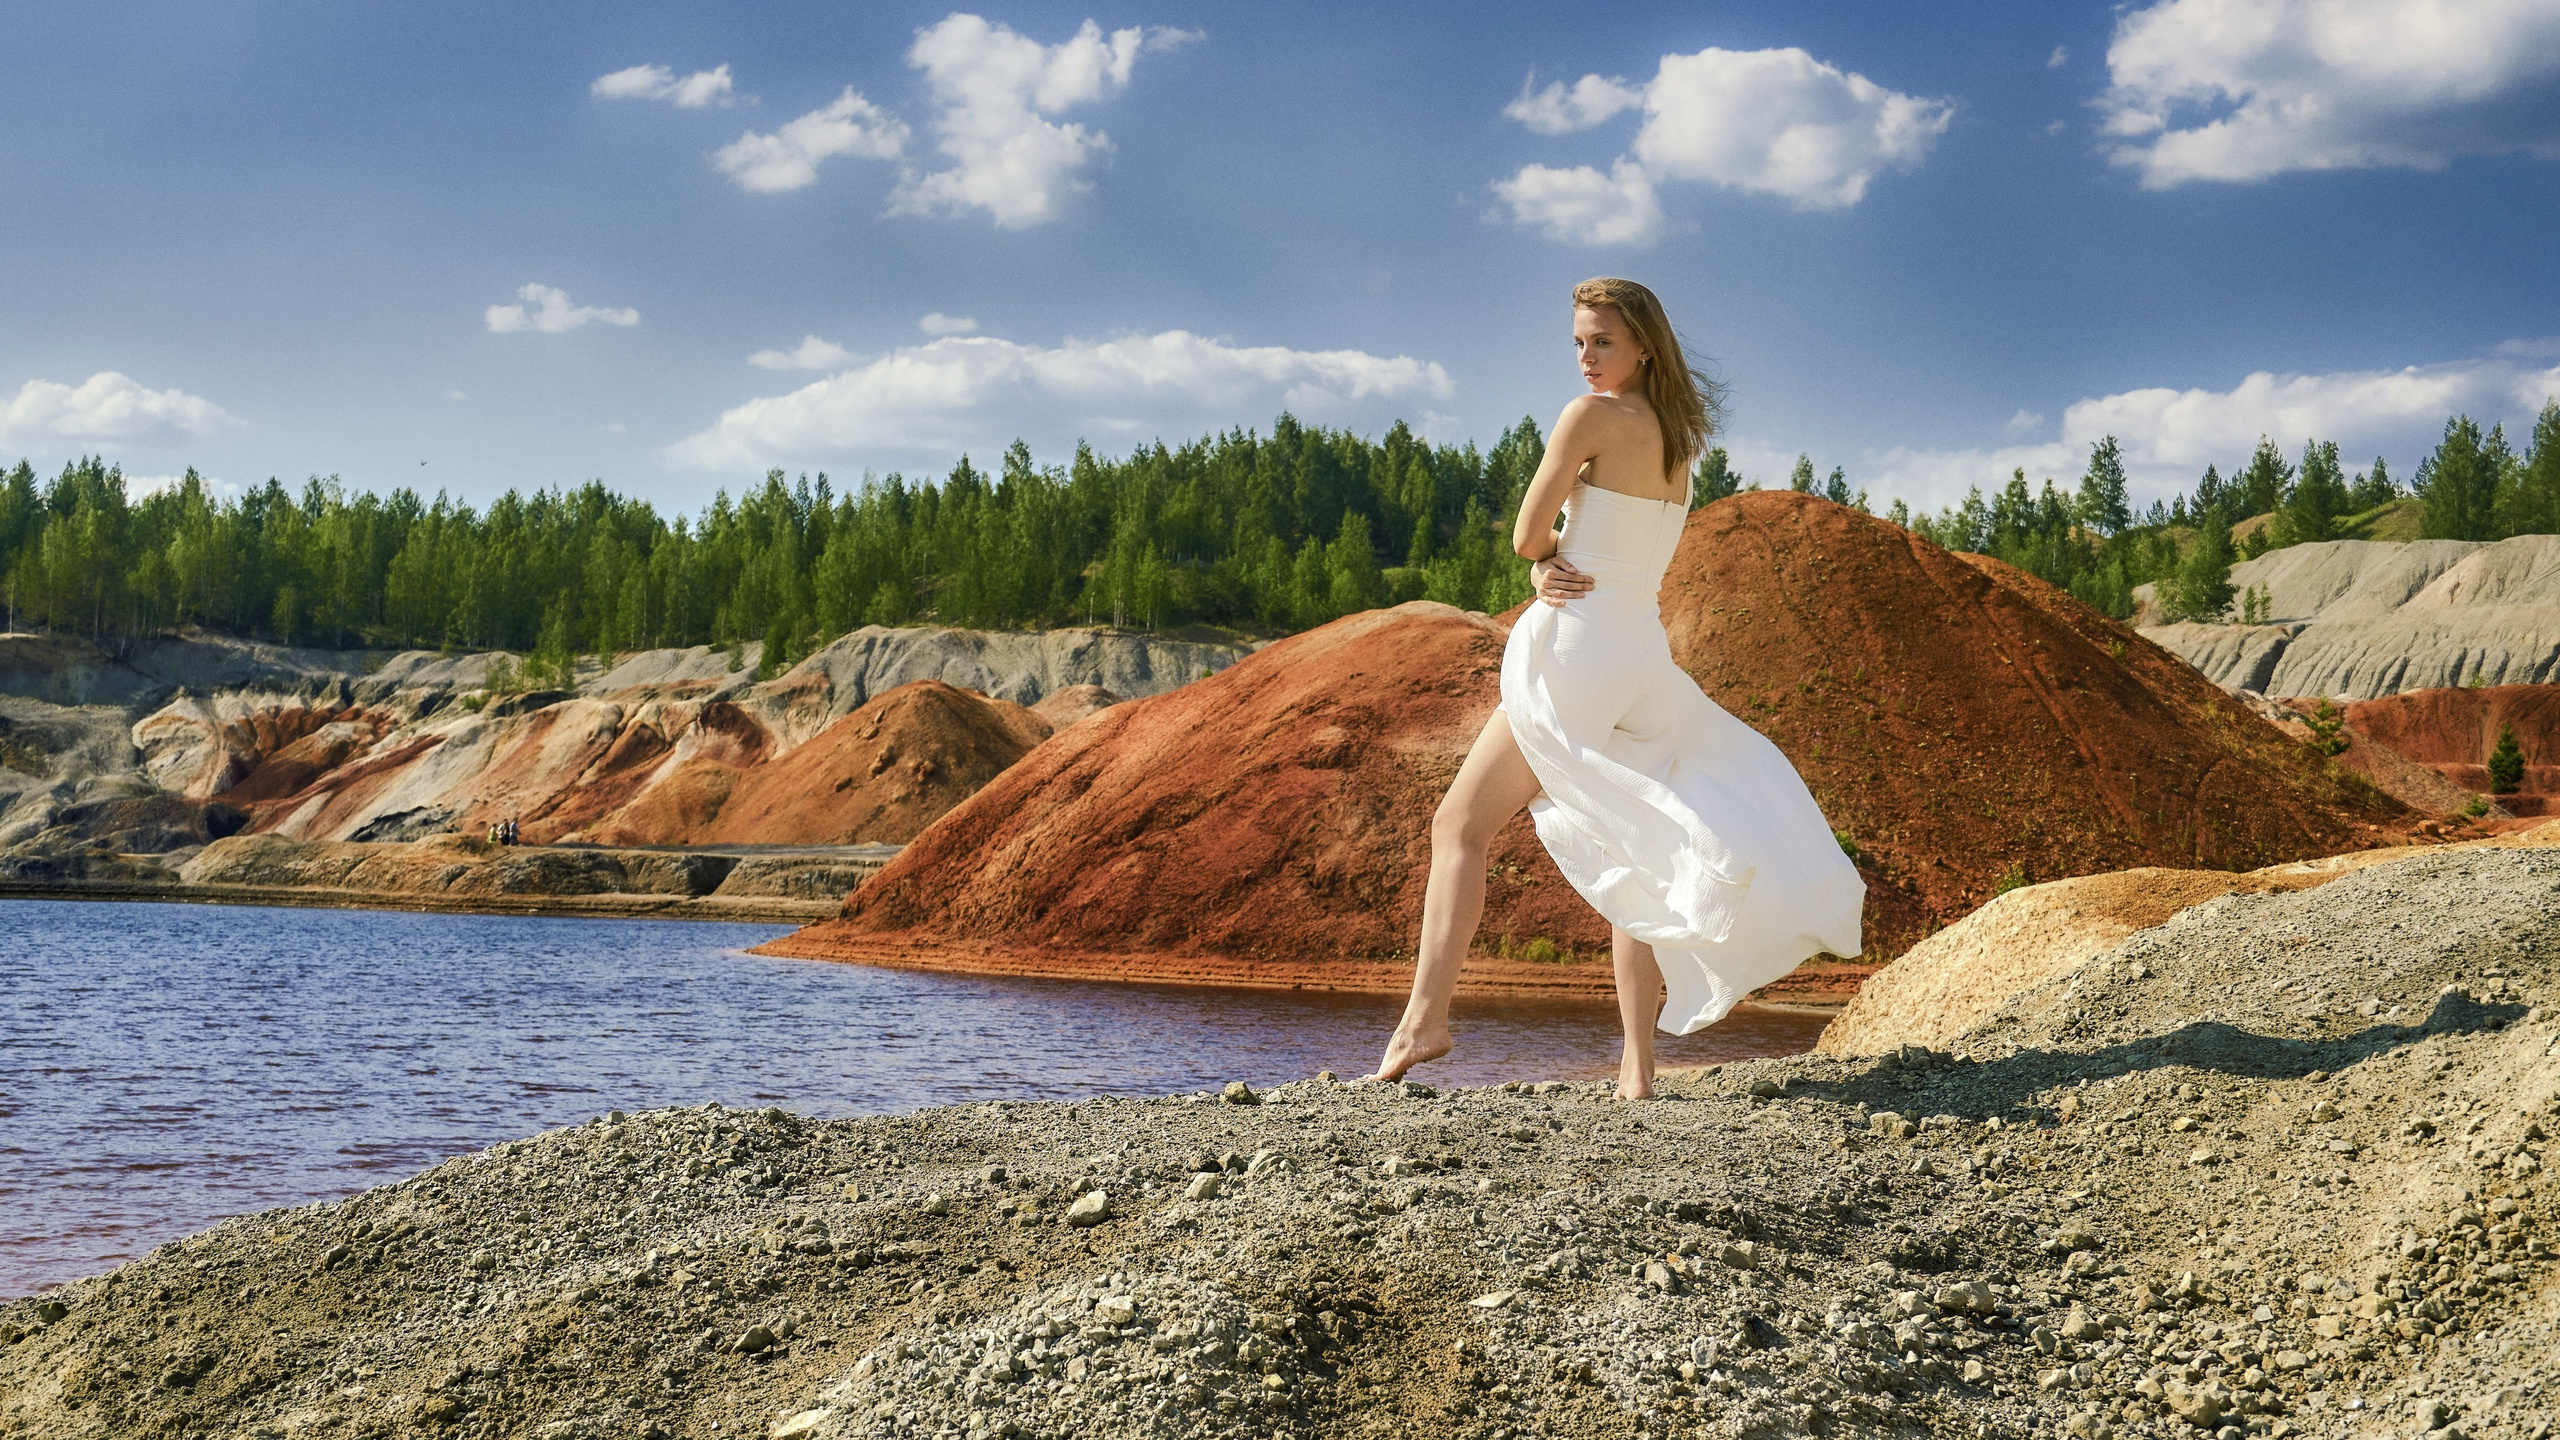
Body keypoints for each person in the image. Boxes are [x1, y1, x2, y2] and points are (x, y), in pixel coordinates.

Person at [1367, 277, 1864, 1100]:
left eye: (1601, 341)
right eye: (1578, 343)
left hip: (1583, 649)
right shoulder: (1678, 437)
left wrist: (1541, 556)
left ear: (1642, 345)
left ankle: (1426, 1018)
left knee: (1457, 824)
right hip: (1643, 655)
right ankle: (1636, 1069)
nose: (1587, 358)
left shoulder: (1587, 418)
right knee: (1633, 850)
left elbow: (1531, 534)